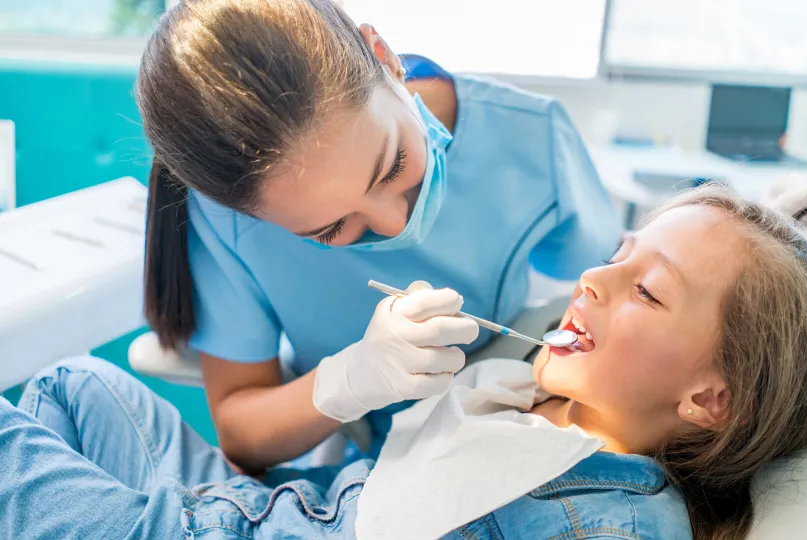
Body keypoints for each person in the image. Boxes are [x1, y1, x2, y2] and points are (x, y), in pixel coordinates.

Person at [0, 188, 807, 540]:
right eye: (619, 253)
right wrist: (771, 232)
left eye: (647, 291)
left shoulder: (605, 523)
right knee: (71, 385)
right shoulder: (537, 396)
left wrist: (800, 283)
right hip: (257, 507)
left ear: (711, 398)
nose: (596, 279)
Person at [136, 0, 622, 472]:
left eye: (394, 166)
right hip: (369, 462)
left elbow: (606, 303)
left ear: (384, 56)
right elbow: (241, 434)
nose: (395, 226)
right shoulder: (223, 222)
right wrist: (350, 380)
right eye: (329, 228)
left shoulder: (530, 135)